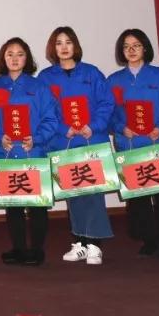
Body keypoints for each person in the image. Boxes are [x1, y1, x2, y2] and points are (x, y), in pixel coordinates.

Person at [107, 28, 159, 259]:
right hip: (130, 145)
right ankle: (148, 239)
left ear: (145, 48)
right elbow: (108, 113)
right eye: (126, 46)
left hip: (158, 143)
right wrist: (120, 127)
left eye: (136, 45)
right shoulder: (114, 81)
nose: (131, 50)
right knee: (139, 198)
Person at [36, 27, 114, 265]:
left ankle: (95, 246)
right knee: (73, 194)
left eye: (68, 42)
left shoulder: (92, 73)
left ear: (75, 45)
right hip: (64, 142)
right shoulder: (46, 78)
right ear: (53, 47)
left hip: (92, 139)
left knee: (94, 194)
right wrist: (63, 129)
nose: (64, 47)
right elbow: (43, 110)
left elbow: (106, 103)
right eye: (58, 42)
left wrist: (94, 125)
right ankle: (80, 242)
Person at [0, 38, 60, 267]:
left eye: (20, 54)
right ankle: (18, 248)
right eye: (10, 54)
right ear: (3, 58)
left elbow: (51, 119)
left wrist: (37, 138)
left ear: (27, 58)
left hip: (33, 152)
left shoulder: (39, 88)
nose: (15, 58)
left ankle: (36, 250)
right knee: (13, 204)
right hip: (5, 153)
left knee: (37, 204)